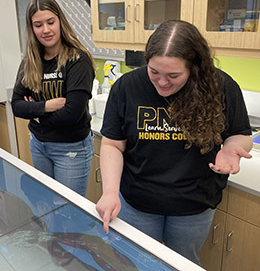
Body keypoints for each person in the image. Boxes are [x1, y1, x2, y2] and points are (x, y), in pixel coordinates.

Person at [96, 20, 253, 265]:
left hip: (194, 203)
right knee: (137, 263)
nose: (162, 82)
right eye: (154, 72)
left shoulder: (221, 87)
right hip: (139, 202)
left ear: (194, 68)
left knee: (183, 263)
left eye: (174, 75)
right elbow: (112, 144)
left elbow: (240, 134)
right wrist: (109, 192)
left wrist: (233, 147)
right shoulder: (127, 87)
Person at [11, 0, 95, 197]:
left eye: (50, 22)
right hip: (39, 145)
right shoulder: (30, 62)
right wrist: (46, 107)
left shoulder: (77, 60)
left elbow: (71, 114)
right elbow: (16, 105)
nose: (46, 30)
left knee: (68, 213)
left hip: (71, 149)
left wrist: (34, 114)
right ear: (31, 28)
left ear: (60, 22)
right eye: (38, 25)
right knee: (46, 203)